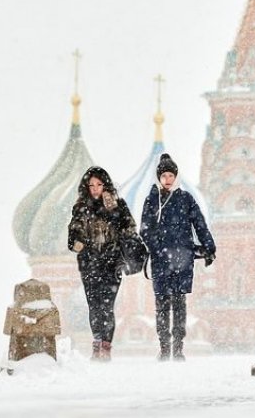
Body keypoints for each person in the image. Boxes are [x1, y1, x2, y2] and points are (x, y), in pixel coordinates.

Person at [140, 153, 216, 361]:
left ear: (176, 177)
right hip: (161, 261)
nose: (167, 179)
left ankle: (178, 347)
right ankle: (164, 347)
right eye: (163, 175)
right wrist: (159, 248)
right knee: (162, 303)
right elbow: (145, 229)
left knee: (179, 302)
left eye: (170, 175)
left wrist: (209, 246)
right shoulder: (152, 200)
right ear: (158, 177)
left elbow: (199, 223)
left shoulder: (185, 198)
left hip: (182, 259)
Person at [68, 165, 138, 361]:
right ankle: (96, 342)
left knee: (107, 307)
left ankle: (106, 347)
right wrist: (82, 246)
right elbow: (72, 237)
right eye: (91, 185)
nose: (95, 188)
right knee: (94, 306)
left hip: (111, 264)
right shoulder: (81, 207)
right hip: (89, 265)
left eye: (99, 184)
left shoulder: (117, 206)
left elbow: (130, 230)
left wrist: (118, 247)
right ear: (87, 187)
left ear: (105, 185)